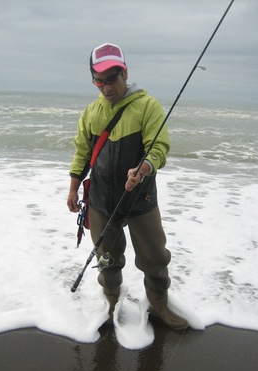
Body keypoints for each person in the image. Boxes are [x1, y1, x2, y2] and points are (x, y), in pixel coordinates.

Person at [67, 43, 187, 330]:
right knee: (106, 258)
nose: (107, 86)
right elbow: (82, 153)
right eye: (100, 80)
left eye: (113, 77)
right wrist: (72, 189)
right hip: (100, 201)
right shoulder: (91, 113)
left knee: (155, 256)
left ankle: (158, 303)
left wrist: (143, 167)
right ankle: (110, 302)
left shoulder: (147, 106)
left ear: (125, 72)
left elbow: (158, 147)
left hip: (140, 198)